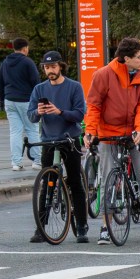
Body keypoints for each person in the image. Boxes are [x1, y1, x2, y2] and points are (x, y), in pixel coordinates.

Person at [84, 37, 140, 244]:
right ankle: (105, 227)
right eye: (139, 57)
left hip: (134, 131)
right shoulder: (103, 75)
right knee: (108, 180)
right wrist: (90, 131)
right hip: (109, 132)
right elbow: (93, 105)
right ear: (126, 58)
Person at [27, 51, 88, 243]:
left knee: (75, 183)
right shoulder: (39, 89)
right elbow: (30, 116)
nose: (50, 70)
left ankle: (81, 226)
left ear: (61, 66)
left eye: (53, 66)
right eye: (46, 67)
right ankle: (41, 228)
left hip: (69, 140)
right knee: (47, 183)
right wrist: (38, 111)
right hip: (48, 140)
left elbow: (79, 114)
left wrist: (60, 112)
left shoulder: (74, 87)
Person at [0, 37, 41, 170]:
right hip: (26, 100)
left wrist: (2, 99)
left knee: (15, 132)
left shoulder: (5, 62)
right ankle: (37, 161)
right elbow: (36, 82)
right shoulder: (28, 62)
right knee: (32, 129)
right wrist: (39, 100)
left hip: (9, 100)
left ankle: (16, 163)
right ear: (25, 48)